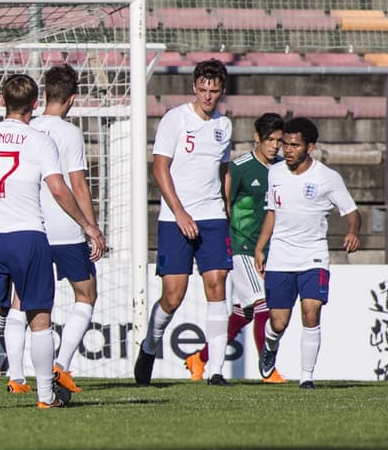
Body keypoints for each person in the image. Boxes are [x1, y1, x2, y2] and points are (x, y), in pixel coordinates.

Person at [0, 74, 106, 410]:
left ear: (2, 101)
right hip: (28, 237)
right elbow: (58, 189)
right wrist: (87, 225)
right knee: (39, 318)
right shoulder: (40, 141)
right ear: (35, 104)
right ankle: (44, 396)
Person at [136, 58, 233, 387]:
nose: (208, 96)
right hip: (175, 218)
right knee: (173, 296)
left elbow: (223, 170)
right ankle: (150, 345)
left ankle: (216, 369)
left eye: (214, 91)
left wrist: (226, 209)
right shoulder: (175, 119)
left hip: (212, 216)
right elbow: (160, 168)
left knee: (217, 284)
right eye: (203, 89)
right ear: (194, 88)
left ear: (221, 92)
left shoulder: (225, 125)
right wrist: (179, 212)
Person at [255, 117, 360, 389]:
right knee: (278, 322)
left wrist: (352, 231)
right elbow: (272, 213)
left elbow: (351, 211)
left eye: (293, 145)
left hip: (314, 256)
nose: (286, 149)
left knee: (311, 313)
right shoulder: (275, 173)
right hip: (280, 256)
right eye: (284, 144)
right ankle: (270, 346)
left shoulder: (327, 178)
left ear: (309, 147)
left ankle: (306, 377)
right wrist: (260, 248)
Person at [184, 113, 286, 383]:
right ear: (257, 138)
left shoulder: (282, 169)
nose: (275, 146)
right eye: (270, 140)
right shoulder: (240, 167)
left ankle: (200, 358)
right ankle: (268, 369)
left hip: (268, 249)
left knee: (245, 313)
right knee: (265, 305)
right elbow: (224, 203)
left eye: (279, 140)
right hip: (241, 247)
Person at [29, 64, 99, 395]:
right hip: (67, 229)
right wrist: (93, 228)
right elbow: (78, 185)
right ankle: (62, 365)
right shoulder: (69, 133)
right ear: (72, 99)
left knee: (23, 303)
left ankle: (16, 378)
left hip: (32, 227)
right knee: (86, 294)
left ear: (45, 93)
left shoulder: (25, 127)